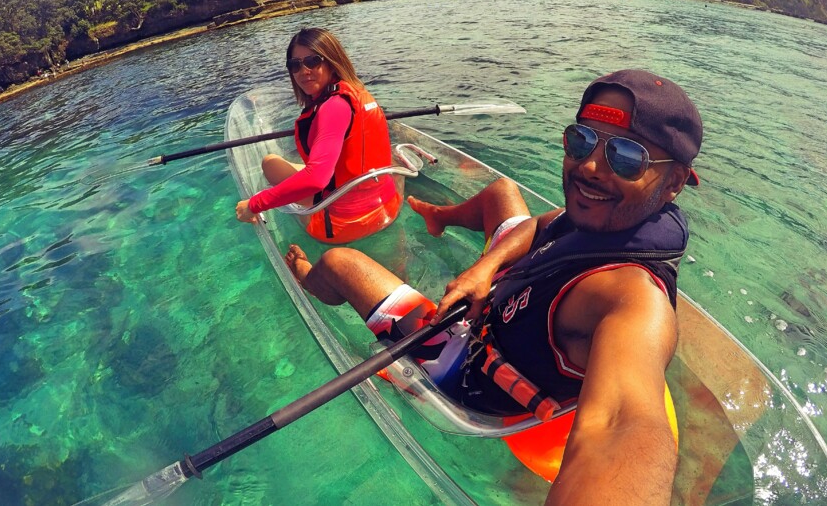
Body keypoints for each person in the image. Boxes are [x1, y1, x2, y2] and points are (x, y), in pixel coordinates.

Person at [282, 69, 702, 504]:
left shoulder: (630, 298)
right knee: (503, 191)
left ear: (673, 182)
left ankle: (311, 281)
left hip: (469, 364)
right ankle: (439, 217)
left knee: (340, 262)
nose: (590, 167)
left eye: (627, 157)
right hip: (498, 292)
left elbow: (620, 427)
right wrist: (484, 268)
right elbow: (545, 223)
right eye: (581, 140)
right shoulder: (611, 216)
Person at [235, 27, 401, 244]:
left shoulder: (334, 107)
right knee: (272, 163)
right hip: (386, 207)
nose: (304, 71)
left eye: (313, 61)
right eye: (295, 65)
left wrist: (253, 204)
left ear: (332, 61)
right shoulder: (357, 93)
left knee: (271, 166)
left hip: (345, 224)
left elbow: (316, 179)